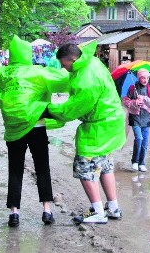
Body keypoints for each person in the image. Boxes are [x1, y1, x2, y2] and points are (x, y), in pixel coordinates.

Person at [0, 35, 69, 228]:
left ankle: (14, 213)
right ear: (28, 53)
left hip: (13, 130)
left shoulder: (1, 73)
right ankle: (46, 210)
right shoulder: (38, 72)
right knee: (42, 168)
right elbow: (64, 80)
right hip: (37, 126)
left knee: (15, 169)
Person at [47, 41, 126, 224]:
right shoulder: (92, 63)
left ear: (73, 59)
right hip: (111, 125)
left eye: (65, 65)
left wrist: (49, 110)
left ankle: (97, 211)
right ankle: (113, 207)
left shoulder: (86, 78)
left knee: (84, 168)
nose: (64, 69)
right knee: (105, 166)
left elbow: (74, 108)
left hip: (98, 128)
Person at [123, 69, 150, 172]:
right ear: (139, 78)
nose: (145, 80)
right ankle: (135, 161)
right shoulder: (132, 88)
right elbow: (125, 101)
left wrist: (145, 100)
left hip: (146, 118)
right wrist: (134, 103)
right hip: (134, 117)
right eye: (143, 78)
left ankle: (142, 162)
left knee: (145, 142)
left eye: (147, 78)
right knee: (139, 138)